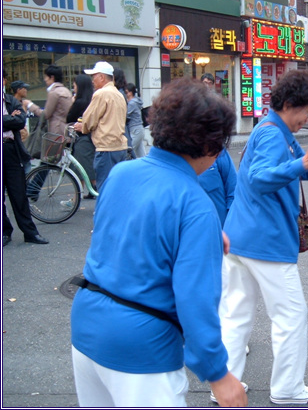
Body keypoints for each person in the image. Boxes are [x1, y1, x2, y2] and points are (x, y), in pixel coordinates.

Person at [70, 77, 247, 408]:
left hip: (86, 327)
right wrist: (218, 374)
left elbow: (120, 236)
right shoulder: (196, 205)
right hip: (142, 348)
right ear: (211, 145)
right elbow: (195, 301)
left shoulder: (122, 173)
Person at [219, 70, 308, 405]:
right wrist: (303, 160)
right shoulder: (274, 134)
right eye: (306, 111)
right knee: (290, 316)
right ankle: (287, 389)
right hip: (266, 240)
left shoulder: (270, 127)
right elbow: (263, 178)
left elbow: (303, 169)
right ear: (289, 104)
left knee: (236, 314)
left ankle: (227, 385)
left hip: (240, 236)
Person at [2, 69, 49, 246]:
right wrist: (8, 118)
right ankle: (5, 232)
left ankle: (30, 233)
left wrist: (6, 118)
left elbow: (20, 121)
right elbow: (13, 120)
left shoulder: (11, 100)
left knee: (19, 194)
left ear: (4, 80)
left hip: (11, 150)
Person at [73, 61, 128, 190]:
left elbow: (88, 119)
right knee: (116, 186)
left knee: (104, 187)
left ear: (102, 77)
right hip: (120, 146)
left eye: (94, 76)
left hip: (106, 147)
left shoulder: (101, 94)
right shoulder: (118, 94)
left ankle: (104, 210)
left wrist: (83, 127)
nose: (92, 80)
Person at [67, 74, 97, 198]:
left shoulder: (79, 102)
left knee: (80, 168)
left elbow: (69, 118)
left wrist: (72, 102)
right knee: (87, 167)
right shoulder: (93, 99)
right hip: (92, 137)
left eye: (74, 85)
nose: (73, 88)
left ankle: (76, 197)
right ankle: (89, 193)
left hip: (83, 138)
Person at [23, 64, 72, 135]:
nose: (45, 79)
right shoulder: (66, 91)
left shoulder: (54, 92)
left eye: (46, 77)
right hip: (65, 130)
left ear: (52, 77)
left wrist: (30, 105)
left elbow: (46, 114)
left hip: (56, 130)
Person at [198, 149, 237, 226]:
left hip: (222, 229)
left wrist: (231, 225)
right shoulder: (171, 160)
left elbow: (234, 191)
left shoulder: (216, 150)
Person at [124, 83, 146, 158]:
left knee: (129, 151)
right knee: (141, 154)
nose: (125, 94)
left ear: (130, 93)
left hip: (135, 130)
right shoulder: (136, 101)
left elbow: (125, 115)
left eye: (126, 92)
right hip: (139, 129)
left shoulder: (132, 103)